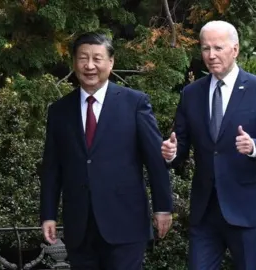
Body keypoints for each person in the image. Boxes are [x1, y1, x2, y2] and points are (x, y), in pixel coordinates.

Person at [161, 21, 256, 269]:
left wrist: (254, 147)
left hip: (247, 209)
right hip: (205, 211)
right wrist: (171, 153)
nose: (211, 55)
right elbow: (181, 146)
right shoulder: (191, 93)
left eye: (218, 48)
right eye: (205, 48)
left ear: (235, 49)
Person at [40, 32, 173, 269]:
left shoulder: (135, 103)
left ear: (111, 63)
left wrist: (163, 207)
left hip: (126, 222)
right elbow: (52, 168)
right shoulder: (59, 111)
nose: (90, 66)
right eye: (83, 58)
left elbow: (154, 159)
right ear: (74, 62)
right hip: (80, 226)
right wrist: (48, 214)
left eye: (97, 59)